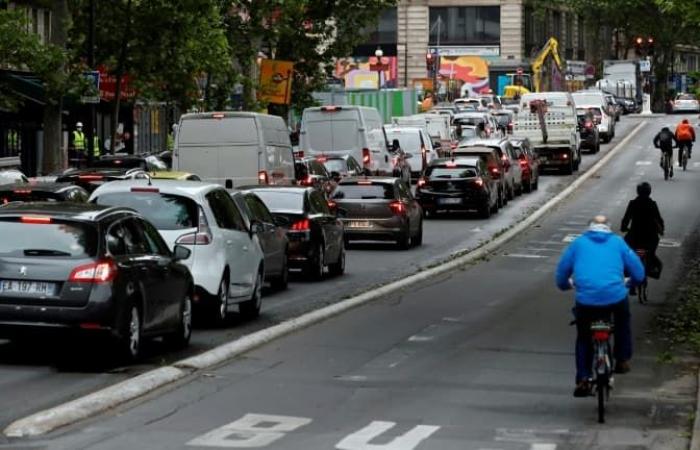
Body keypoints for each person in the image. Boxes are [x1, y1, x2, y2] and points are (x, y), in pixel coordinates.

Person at [555, 215, 645, 397]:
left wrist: (565, 285)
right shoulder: (618, 243)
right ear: (609, 228)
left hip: (586, 299)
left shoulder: (578, 244)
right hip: (615, 296)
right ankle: (622, 359)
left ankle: (583, 378)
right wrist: (629, 284)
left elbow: (562, 273)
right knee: (622, 323)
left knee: (583, 337)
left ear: (589, 228)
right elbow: (638, 272)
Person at [620, 182, 664, 295]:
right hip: (650, 237)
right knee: (651, 255)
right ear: (649, 192)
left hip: (634, 236)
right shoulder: (652, 204)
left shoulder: (633, 203)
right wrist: (661, 229)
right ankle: (651, 269)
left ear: (637, 191)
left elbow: (626, 219)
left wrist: (624, 228)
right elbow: (659, 219)